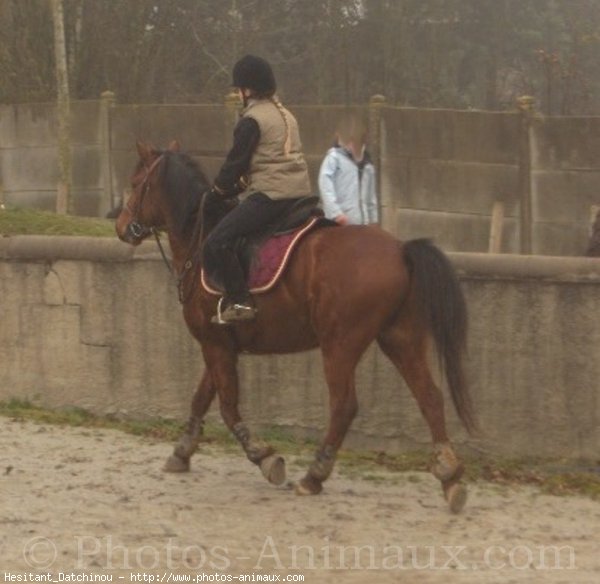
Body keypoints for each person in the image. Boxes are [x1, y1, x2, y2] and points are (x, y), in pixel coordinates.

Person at [203, 55, 312, 324]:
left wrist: (216, 192)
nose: (237, 94)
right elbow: (268, 161)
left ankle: (240, 301)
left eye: (237, 89)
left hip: (271, 197)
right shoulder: (287, 115)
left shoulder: (252, 120)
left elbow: (235, 165)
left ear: (247, 89)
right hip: (299, 196)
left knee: (218, 241)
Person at [318, 119, 379, 226]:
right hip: (340, 222)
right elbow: (325, 186)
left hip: (363, 223)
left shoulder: (367, 163)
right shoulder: (334, 158)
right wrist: (336, 213)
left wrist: (373, 219)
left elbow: (371, 196)